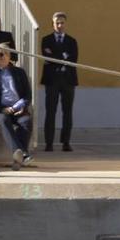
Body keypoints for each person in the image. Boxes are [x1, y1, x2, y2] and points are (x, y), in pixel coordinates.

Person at [0, 45, 36, 167]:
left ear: (8, 56)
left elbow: (27, 95)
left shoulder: (19, 72)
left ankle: (17, 159)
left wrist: (18, 107)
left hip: (18, 109)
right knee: (3, 119)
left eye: (1, 54)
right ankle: (22, 154)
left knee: (26, 121)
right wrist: (2, 109)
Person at [37, 10, 79, 153]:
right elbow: (47, 56)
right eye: (57, 23)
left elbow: (73, 59)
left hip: (68, 80)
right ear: (52, 24)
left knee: (67, 112)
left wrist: (57, 57)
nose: (59, 25)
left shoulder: (72, 41)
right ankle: (49, 143)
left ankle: (66, 142)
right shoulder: (46, 40)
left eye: (62, 23)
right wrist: (63, 57)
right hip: (52, 80)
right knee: (51, 112)